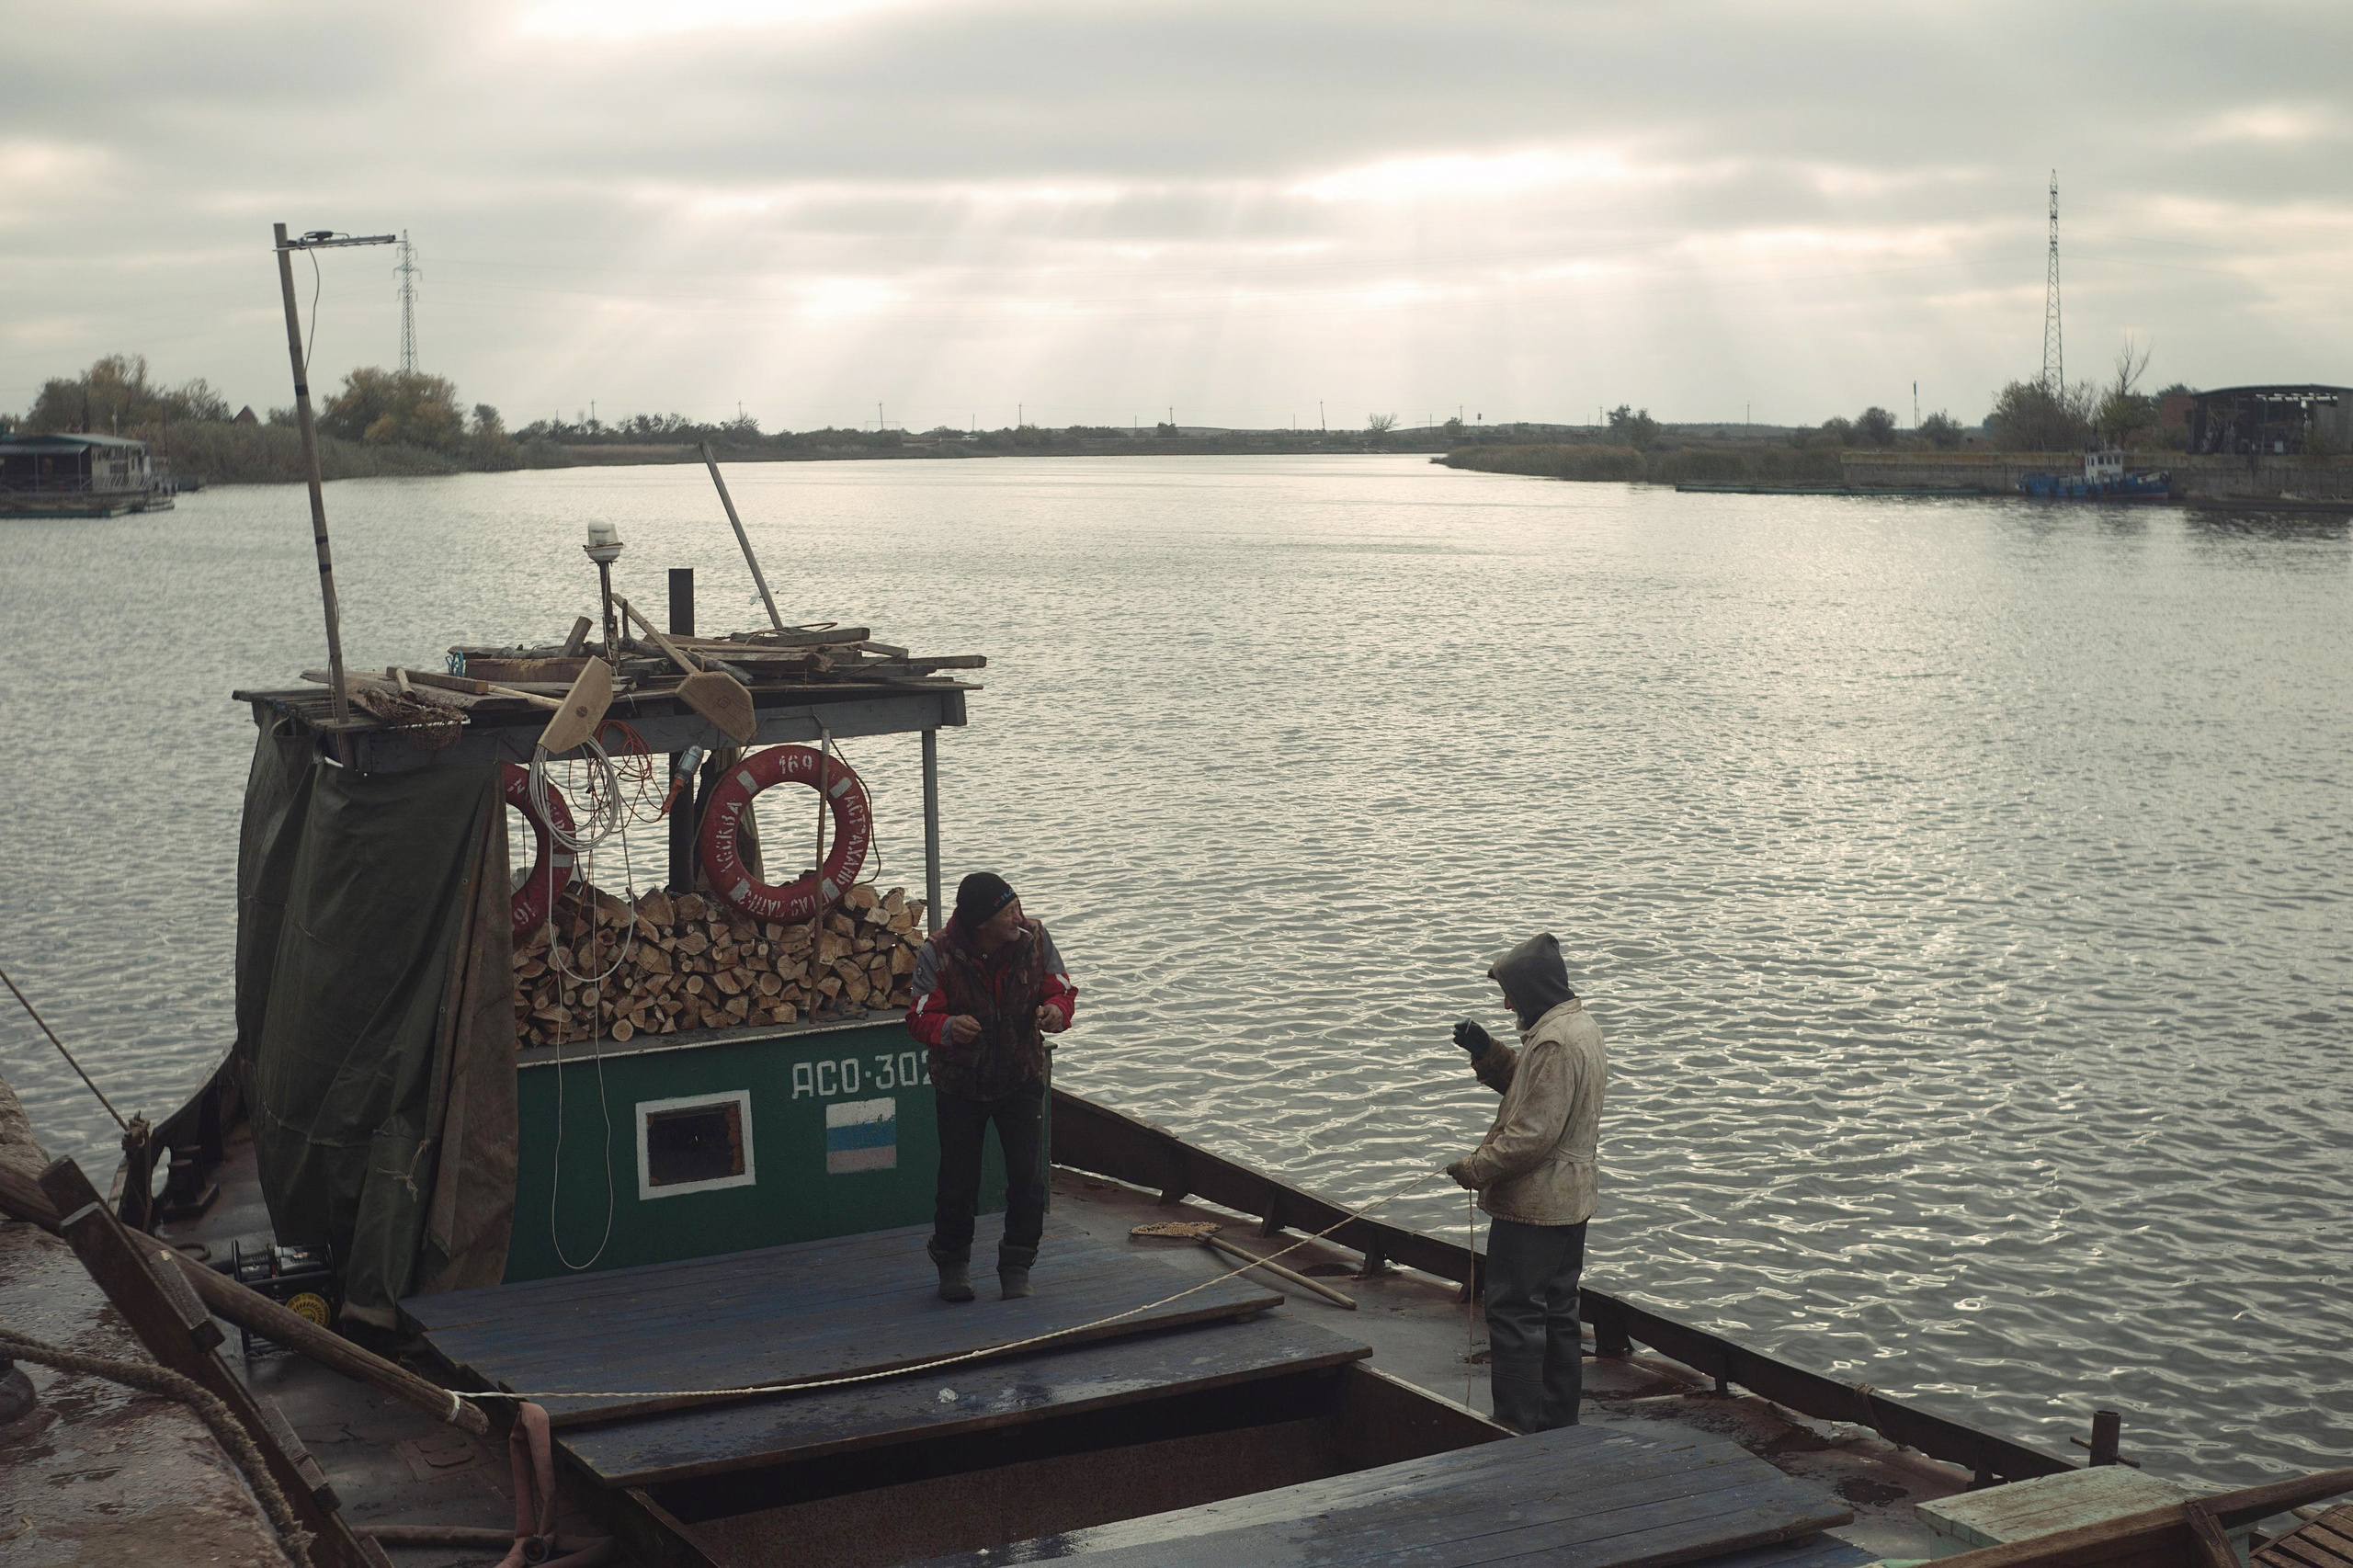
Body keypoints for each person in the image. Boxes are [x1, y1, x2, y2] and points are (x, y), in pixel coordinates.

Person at [1445, 932, 1605, 1433]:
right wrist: (1486, 1051)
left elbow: (1534, 1134)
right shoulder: (1578, 1027)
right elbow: (1533, 1095)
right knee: (1559, 1310)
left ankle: (1514, 1425)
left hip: (1536, 1205)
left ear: (1534, 989)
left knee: (1515, 1312)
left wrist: (1475, 1169)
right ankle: (1557, 1422)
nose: (1508, 1002)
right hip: (1571, 1199)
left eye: (1511, 993)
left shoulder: (1555, 1042)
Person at [904, 871, 1076, 1302]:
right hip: (959, 1085)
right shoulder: (938, 953)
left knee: (1028, 1178)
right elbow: (918, 1016)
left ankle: (1017, 1264)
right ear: (983, 923)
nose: (1020, 916)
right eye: (1008, 912)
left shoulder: (1035, 939)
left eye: (1017, 905)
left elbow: (1062, 989)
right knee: (958, 1180)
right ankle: (953, 1264)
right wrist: (947, 1027)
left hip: (1021, 1078)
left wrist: (1056, 1011)